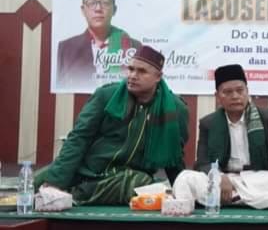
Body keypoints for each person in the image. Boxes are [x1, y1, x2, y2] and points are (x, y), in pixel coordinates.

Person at [35, 46, 189, 205]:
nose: (133, 76)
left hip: (129, 178)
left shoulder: (175, 109)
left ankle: (75, 195)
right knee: (31, 188)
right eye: (131, 69)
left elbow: (174, 157)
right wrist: (55, 182)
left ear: (158, 77)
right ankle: (70, 191)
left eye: (142, 71)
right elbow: (78, 138)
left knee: (142, 186)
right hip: (86, 170)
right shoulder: (107, 95)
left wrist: (183, 193)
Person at [172, 64, 268, 210]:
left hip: (258, 180)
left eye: (240, 90)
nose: (235, 96)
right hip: (225, 179)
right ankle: (256, 201)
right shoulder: (208, 123)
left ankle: (234, 198)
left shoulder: (266, 117)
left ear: (247, 91)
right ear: (217, 97)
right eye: (227, 92)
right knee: (185, 178)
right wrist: (219, 177)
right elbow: (202, 163)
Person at [56, 0, 141, 90]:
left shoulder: (133, 46)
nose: (98, 9)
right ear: (83, 10)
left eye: (105, 2)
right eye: (91, 3)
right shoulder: (66, 49)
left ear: (114, 9)